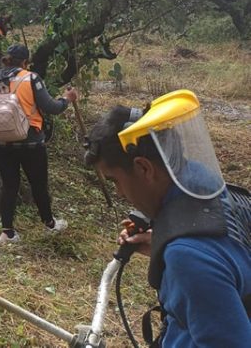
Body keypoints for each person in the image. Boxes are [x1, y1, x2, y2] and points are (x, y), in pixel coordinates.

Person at [85, 94, 251, 347]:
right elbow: (226, 260)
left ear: (143, 168)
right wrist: (163, 240)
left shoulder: (188, 256)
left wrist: (184, 253)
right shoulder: (203, 183)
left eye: (115, 180)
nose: (119, 193)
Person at [0, 44, 78, 243]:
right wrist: (67, 99)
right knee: (38, 184)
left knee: (9, 185)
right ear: (25, 62)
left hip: (0, 143)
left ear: (7, 59)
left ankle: (7, 232)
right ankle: (49, 224)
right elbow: (52, 107)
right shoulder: (30, 78)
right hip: (30, 143)